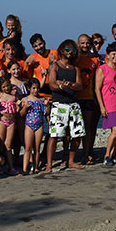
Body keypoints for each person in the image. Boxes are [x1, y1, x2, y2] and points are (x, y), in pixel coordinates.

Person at [43, 39, 86, 173]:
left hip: (73, 104)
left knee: (77, 134)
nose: (70, 52)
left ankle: (71, 161)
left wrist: (70, 85)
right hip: (59, 104)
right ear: (62, 50)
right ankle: (49, 165)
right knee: (54, 135)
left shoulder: (75, 68)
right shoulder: (55, 66)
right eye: (67, 50)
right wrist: (61, 85)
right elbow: (52, 84)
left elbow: (80, 85)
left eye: (73, 50)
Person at [96, 42, 116, 166]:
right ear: (108, 55)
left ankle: (114, 155)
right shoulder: (102, 69)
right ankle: (107, 155)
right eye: (113, 54)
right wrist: (101, 106)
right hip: (109, 105)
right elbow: (97, 89)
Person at [76, 34, 100, 164]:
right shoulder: (75, 58)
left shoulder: (94, 60)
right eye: (82, 43)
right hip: (75, 97)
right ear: (78, 43)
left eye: (87, 43)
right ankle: (67, 156)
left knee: (88, 128)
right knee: (73, 129)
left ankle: (86, 154)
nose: (85, 45)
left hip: (89, 97)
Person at [19, 78, 47, 174]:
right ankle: (24, 169)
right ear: (29, 88)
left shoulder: (41, 99)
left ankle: (36, 167)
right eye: (34, 88)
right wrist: (25, 107)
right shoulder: (25, 99)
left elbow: (47, 113)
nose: (36, 90)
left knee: (37, 148)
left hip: (39, 125)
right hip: (29, 125)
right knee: (27, 148)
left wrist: (47, 106)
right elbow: (21, 114)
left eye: (37, 88)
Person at [0, 77, 21, 173]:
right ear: (0, 87)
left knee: (8, 145)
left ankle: (11, 166)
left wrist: (18, 105)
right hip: (2, 121)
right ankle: (1, 165)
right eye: (4, 87)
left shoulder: (13, 97)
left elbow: (17, 110)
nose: (6, 88)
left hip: (12, 122)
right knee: (1, 144)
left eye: (7, 86)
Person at [26, 33, 56, 100]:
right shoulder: (32, 58)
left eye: (40, 44)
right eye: (35, 46)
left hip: (55, 93)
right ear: (33, 47)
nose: (39, 47)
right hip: (40, 94)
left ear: (44, 42)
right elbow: (27, 76)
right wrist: (26, 63)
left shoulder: (54, 53)